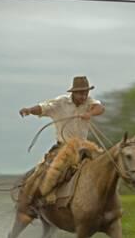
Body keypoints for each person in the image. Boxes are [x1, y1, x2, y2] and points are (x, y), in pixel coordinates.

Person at [16, 76, 105, 209]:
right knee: (50, 170)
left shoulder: (89, 102)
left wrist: (90, 113)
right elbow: (42, 107)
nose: (84, 96)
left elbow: (100, 108)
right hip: (63, 146)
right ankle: (38, 198)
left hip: (84, 147)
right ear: (73, 92)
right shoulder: (60, 103)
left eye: (86, 93)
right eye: (81, 93)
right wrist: (29, 110)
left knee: (104, 165)